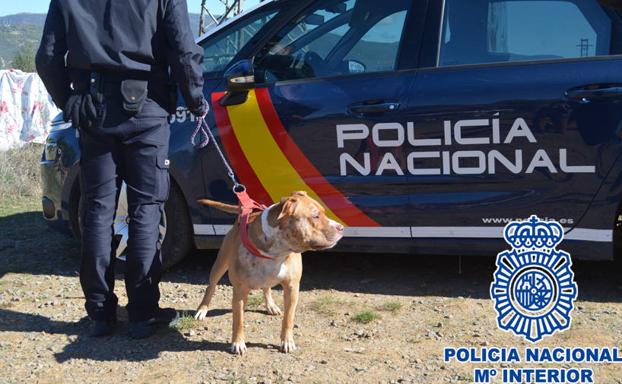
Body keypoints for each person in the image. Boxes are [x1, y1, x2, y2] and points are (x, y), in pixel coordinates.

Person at [35, 0, 208, 339]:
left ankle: (100, 313)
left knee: (98, 212)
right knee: (146, 209)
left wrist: (67, 100)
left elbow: (47, 57)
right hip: (148, 108)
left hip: (93, 108)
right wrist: (196, 99)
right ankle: (142, 314)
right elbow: (184, 49)